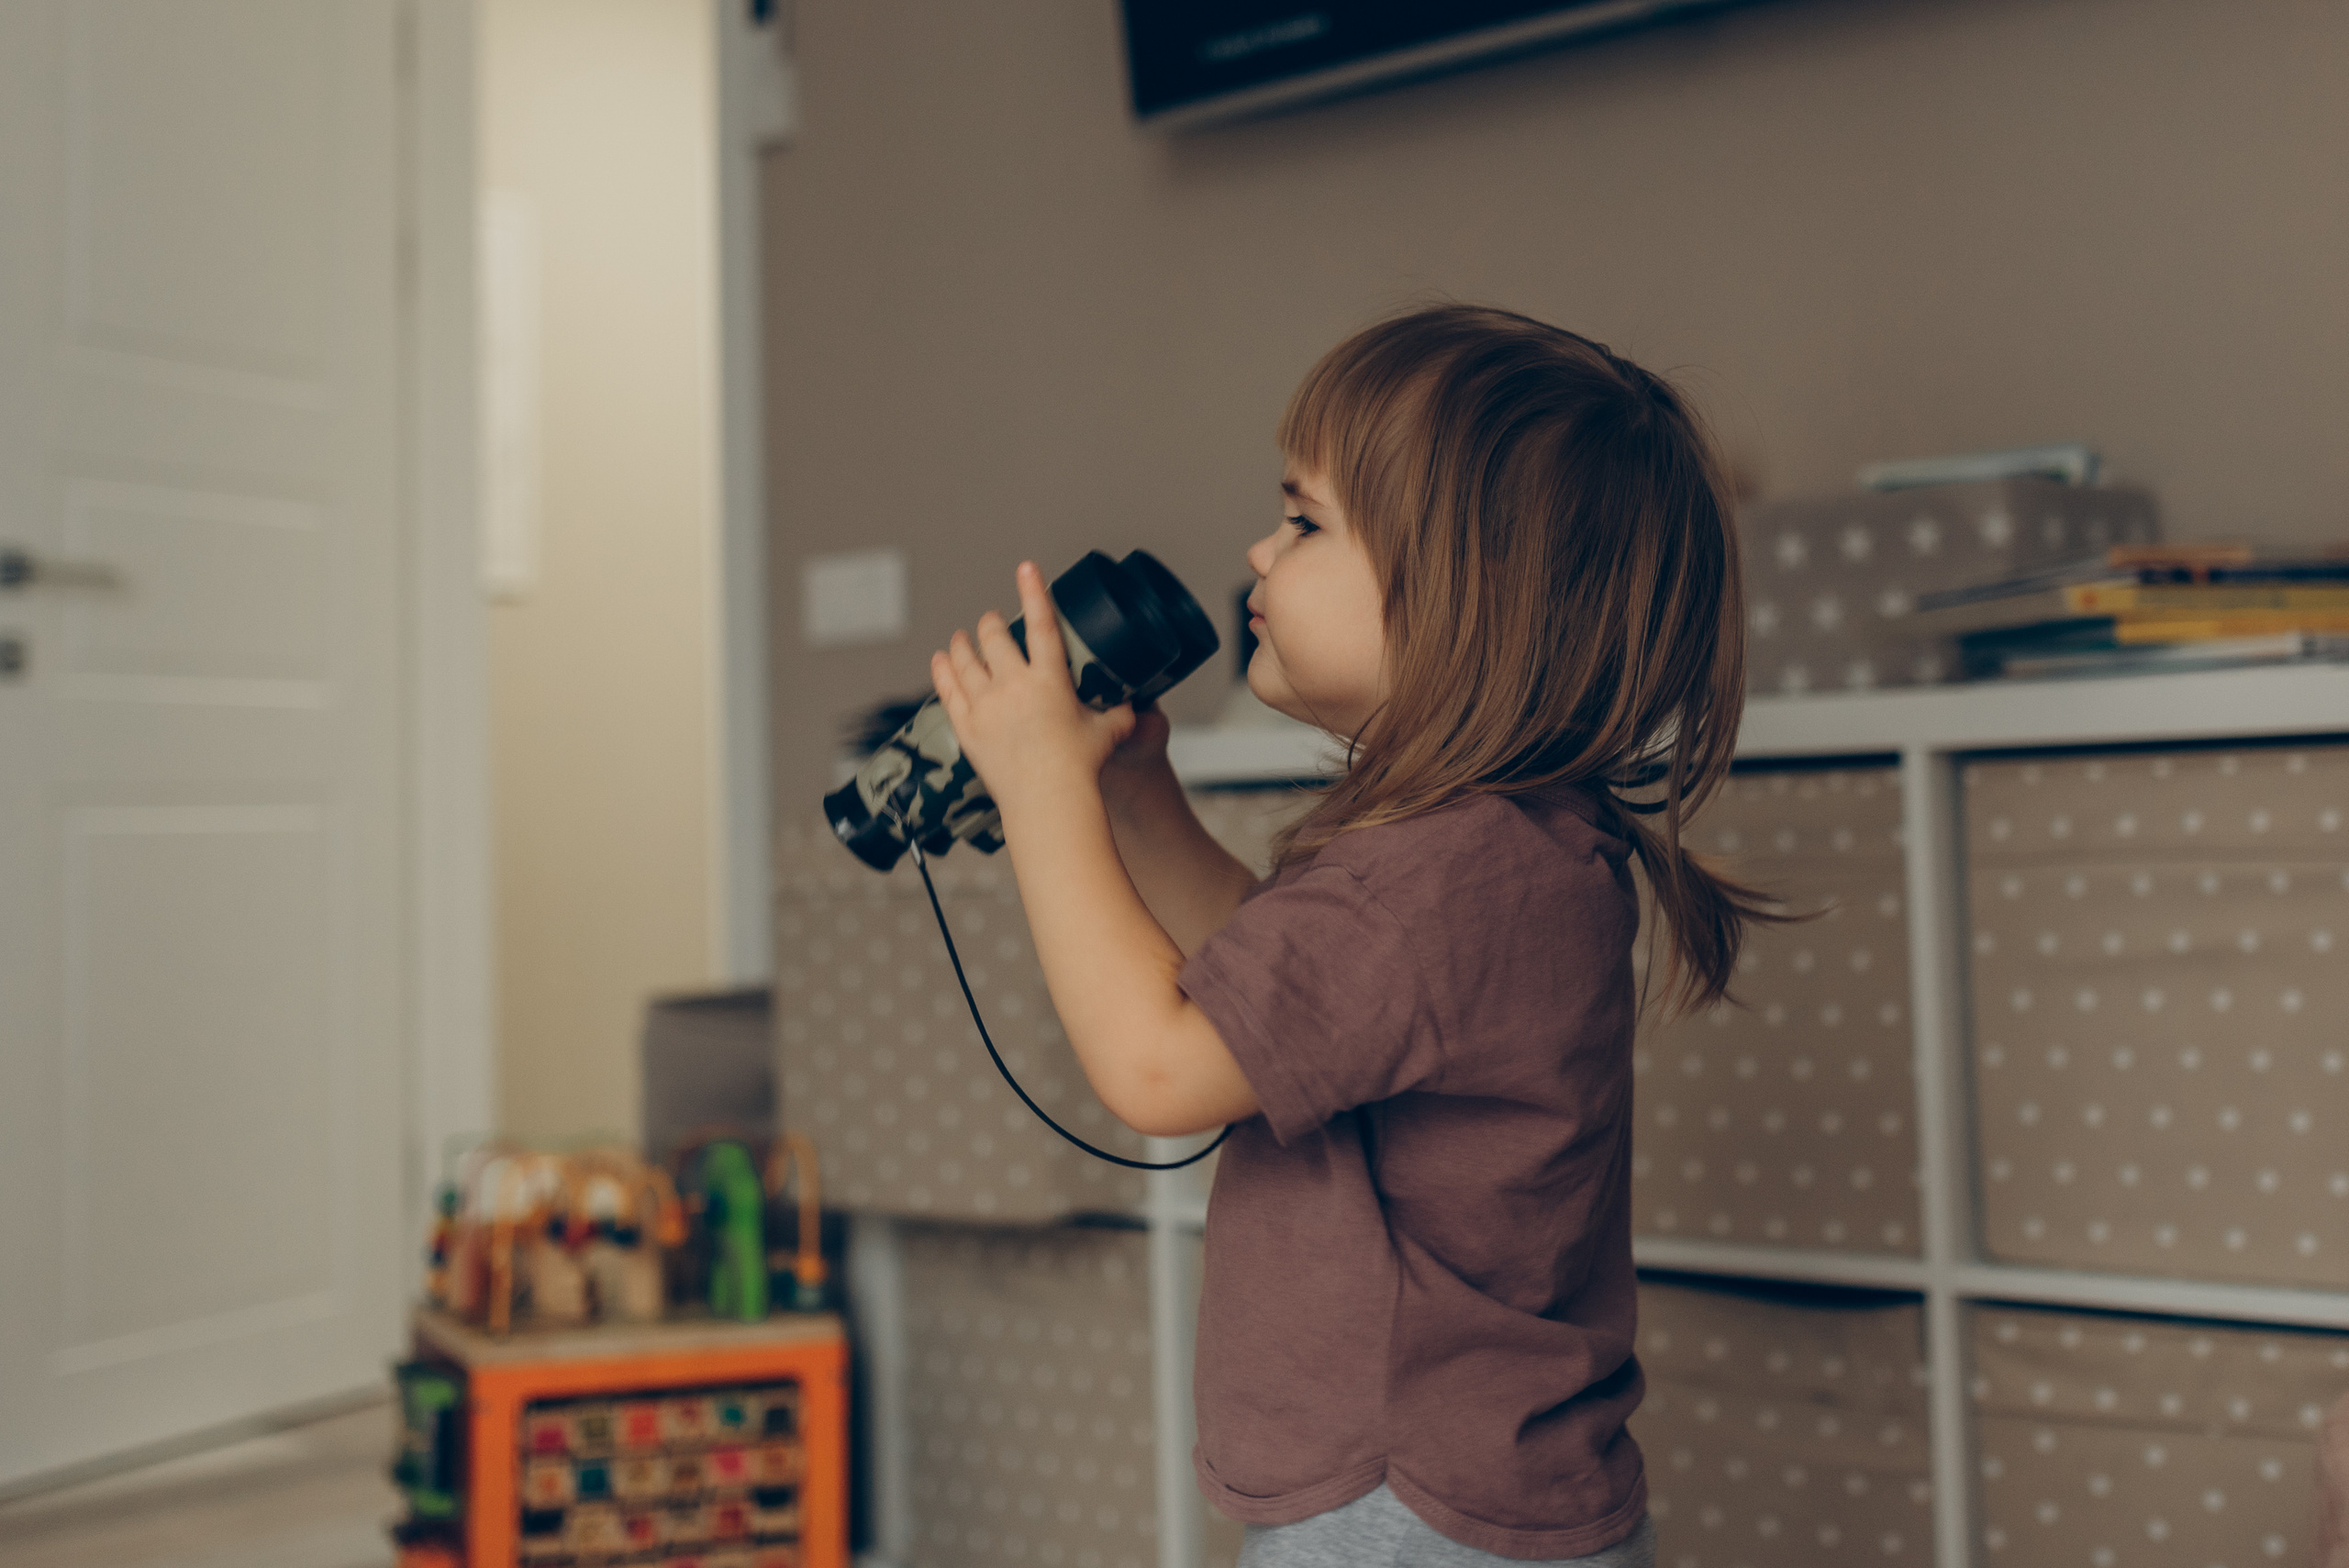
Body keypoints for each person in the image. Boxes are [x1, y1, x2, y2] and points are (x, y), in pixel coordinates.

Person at [927, 304, 1779, 1566]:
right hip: (1485, 1487)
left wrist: (1043, 791)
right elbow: (1275, 1003)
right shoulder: (1507, 848)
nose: (1259, 552)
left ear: (1467, 602)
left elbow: (1162, 1068)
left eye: (1306, 523)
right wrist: (1138, 800)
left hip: (1404, 1506)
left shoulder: (1435, 877)